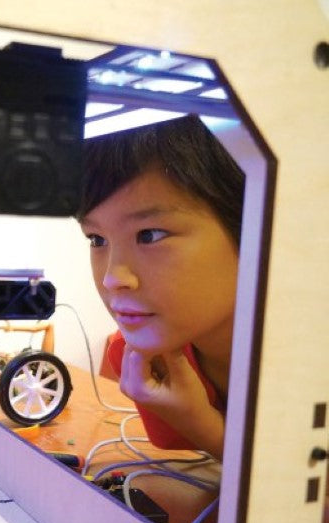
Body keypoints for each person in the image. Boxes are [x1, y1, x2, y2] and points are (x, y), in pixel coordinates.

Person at [77, 114, 245, 461]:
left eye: (149, 235)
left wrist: (206, 429)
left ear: (256, 224)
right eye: (97, 239)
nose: (112, 278)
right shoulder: (144, 361)